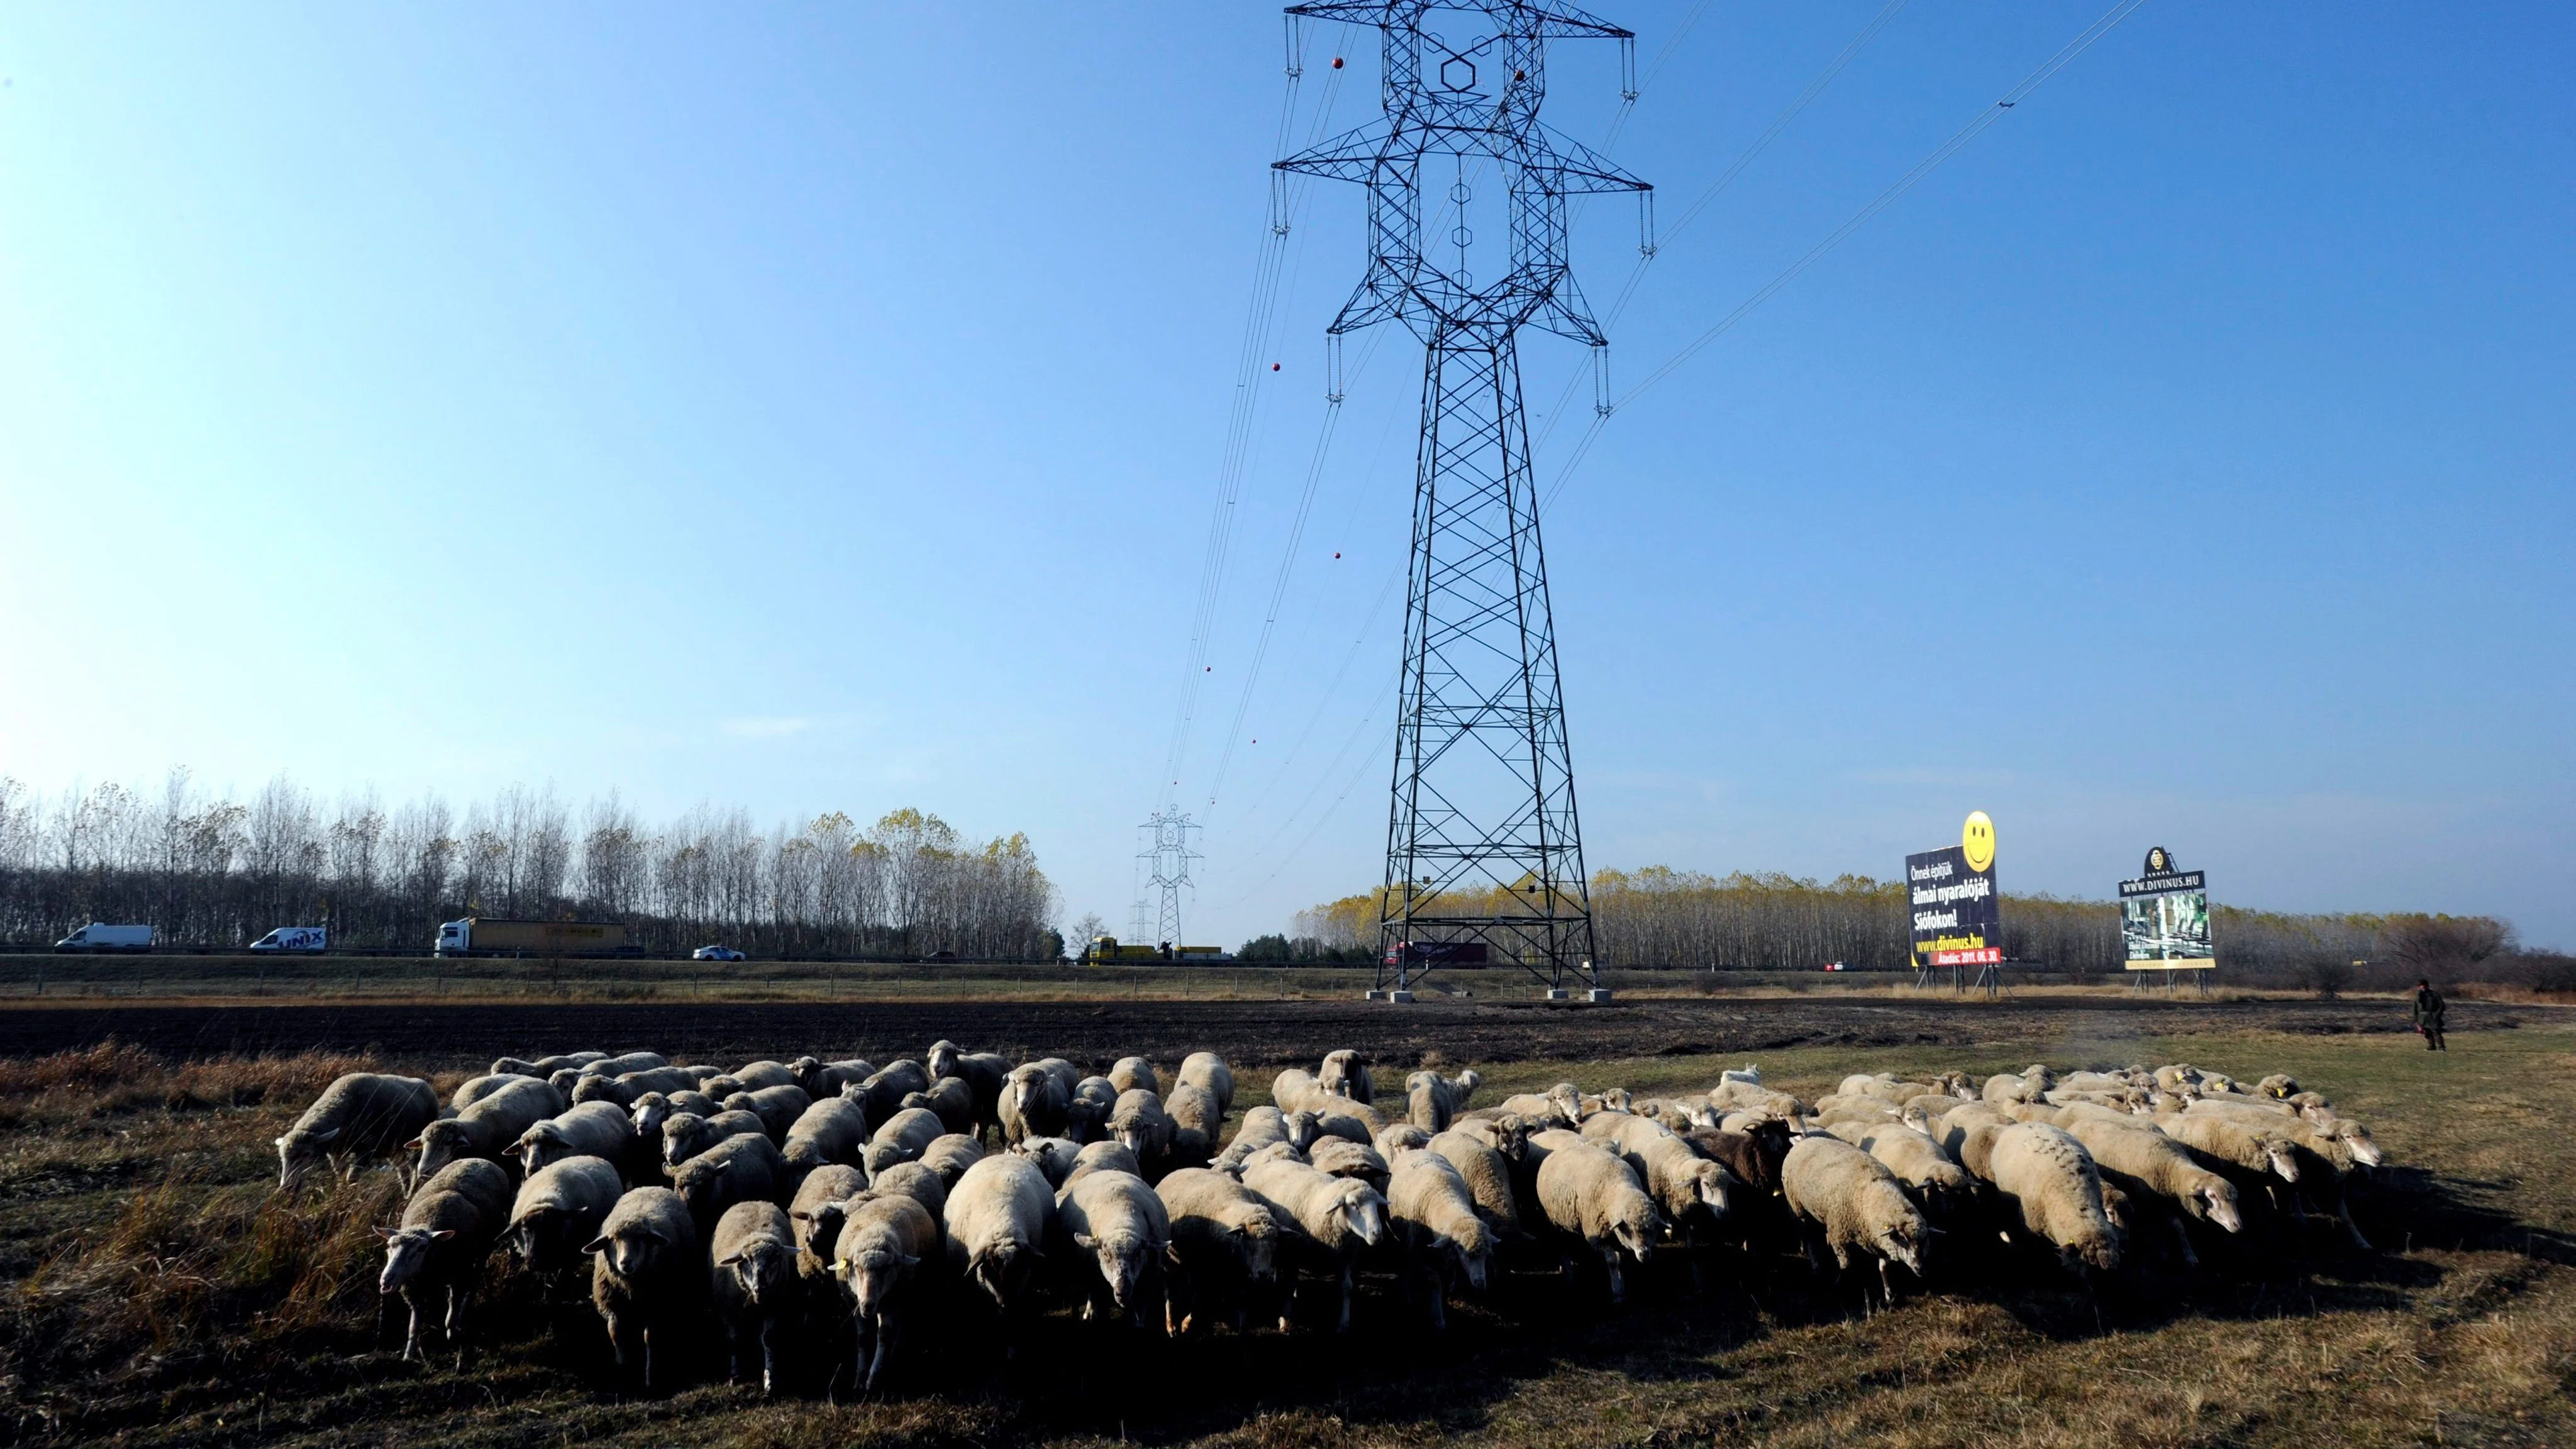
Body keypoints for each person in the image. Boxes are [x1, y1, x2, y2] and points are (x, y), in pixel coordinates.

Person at [2412, 978, 2448, 1052]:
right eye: (2420, 986)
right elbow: (2415, 1008)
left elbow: (2441, 1006)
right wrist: (2415, 1019)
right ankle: (2431, 1046)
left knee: (2436, 1032)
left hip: (2433, 1016)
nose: (2422, 987)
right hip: (2422, 1017)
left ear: (2427, 985)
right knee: (2427, 1033)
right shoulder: (2417, 996)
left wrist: (2437, 1015)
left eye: (2423, 985)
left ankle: (2441, 1047)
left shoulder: (2434, 994)